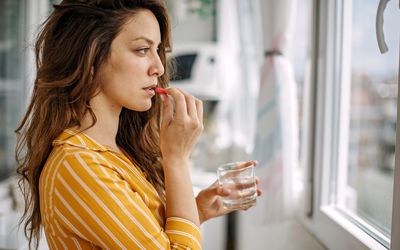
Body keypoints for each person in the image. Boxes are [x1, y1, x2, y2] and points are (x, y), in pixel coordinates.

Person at [15, 0, 262, 249]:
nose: (158, 67)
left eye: (158, 51)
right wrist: (176, 158)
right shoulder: (78, 164)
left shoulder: (116, 153)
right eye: (143, 50)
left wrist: (196, 210)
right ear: (90, 60)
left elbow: (151, 238)